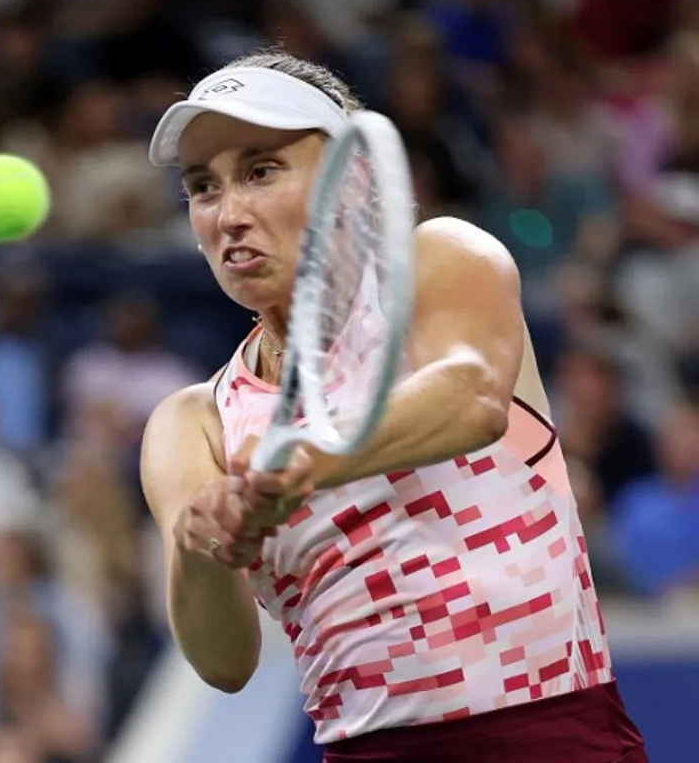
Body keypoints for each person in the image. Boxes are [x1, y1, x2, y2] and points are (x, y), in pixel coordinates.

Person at [139, 51, 647, 763]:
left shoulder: (442, 260)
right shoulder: (191, 423)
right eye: (202, 187)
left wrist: (303, 462)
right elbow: (224, 664)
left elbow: (470, 396)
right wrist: (206, 545)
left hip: (557, 737)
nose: (228, 214)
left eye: (260, 171)